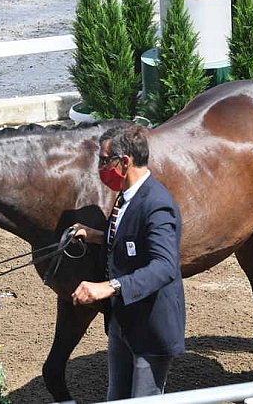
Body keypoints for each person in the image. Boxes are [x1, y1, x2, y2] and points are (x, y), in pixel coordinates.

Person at [71, 124, 185, 400]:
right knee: (116, 397)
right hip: (123, 320)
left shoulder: (157, 204)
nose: (100, 168)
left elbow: (164, 266)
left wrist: (108, 287)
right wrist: (96, 235)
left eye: (104, 160)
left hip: (150, 326)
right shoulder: (126, 197)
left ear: (124, 162)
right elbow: (132, 239)